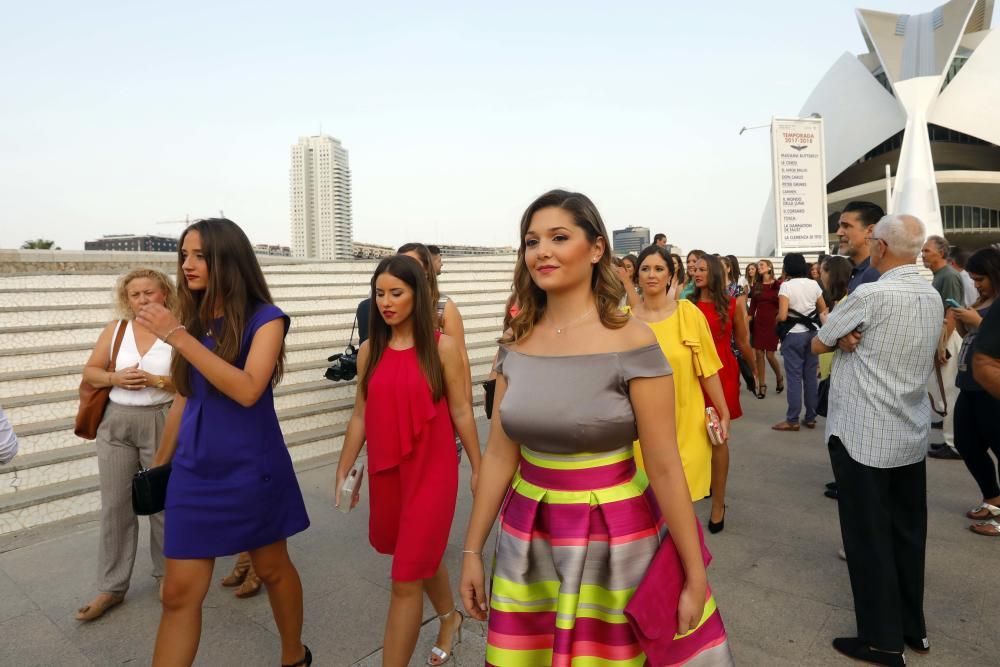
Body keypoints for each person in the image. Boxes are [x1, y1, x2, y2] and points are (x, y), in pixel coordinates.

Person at [458, 190, 733, 666]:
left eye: (559, 237)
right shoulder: (515, 344)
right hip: (528, 536)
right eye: (531, 241)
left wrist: (694, 574)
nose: (541, 251)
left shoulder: (632, 341)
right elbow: (501, 455)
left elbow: (665, 467)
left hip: (615, 537)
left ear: (597, 248)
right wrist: (470, 549)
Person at [138, 219, 311, 667]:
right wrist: (159, 468)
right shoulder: (193, 320)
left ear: (227, 260)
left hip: (251, 469)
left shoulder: (265, 318)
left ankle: (294, 655)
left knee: (272, 568)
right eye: (183, 255)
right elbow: (184, 396)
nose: (187, 265)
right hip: (195, 471)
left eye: (199, 255)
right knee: (177, 594)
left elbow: (249, 388)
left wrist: (175, 335)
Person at [334, 255, 482, 666]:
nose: (386, 302)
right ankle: (450, 618)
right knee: (418, 557)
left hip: (432, 474)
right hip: (387, 472)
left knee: (404, 580)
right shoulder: (369, 351)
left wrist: (479, 467)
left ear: (418, 295)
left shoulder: (442, 347)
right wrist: (344, 466)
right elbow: (360, 414)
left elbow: (463, 411)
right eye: (379, 293)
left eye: (396, 293)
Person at [812, 214, 941, 666]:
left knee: (869, 538)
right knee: (907, 533)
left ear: (880, 247)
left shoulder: (871, 292)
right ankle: (912, 628)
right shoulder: (930, 295)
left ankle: (883, 642)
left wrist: (841, 337)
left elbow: (818, 343)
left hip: (863, 433)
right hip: (908, 431)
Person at [75, 268, 177, 622]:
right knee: (116, 505)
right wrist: (115, 377)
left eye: (149, 292)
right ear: (127, 299)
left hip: (162, 419)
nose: (143, 299)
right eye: (135, 295)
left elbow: (191, 381)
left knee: (164, 504)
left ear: (164, 292)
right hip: (116, 421)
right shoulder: (116, 330)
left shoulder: (179, 329)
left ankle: (167, 576)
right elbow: (90, 372)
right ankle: (111, 587)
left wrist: (157, 379)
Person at [628, 244, 730, 501]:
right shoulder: (622, 321)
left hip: (686, 424)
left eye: (659, 269)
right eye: (645, 268)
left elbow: (707, 369)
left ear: (671, 276)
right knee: (645, 508)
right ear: (636, 276)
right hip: (638, 432)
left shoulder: (688, 314)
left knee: (681, 504)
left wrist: (723, 410)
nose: (652, 274)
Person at [693, 254, 754, 533]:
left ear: (715, 273)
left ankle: (719, 504)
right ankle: (699, 487)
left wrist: (755, 374)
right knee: (691, 435)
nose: (696, 272)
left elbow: (742, 341)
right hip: (691, 376)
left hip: (722, 373)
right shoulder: (684, 305)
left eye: (702, 269)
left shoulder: (731, 305)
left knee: (717, 439)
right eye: (694, 268)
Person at [949, 248, 1000, 535]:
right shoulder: (981, 301)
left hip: (992, 386)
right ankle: (993, 498)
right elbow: (970, 338)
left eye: (980, 278)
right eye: (973, 278)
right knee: (966, 443)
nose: (976, 284)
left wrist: (978, 321)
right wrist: (962, 322)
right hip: (969, 384)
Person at [922, 234, 966, 460]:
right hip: (943, 337)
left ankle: (954, 443)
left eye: (927, 250)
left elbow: (952, 312)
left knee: (948, 392)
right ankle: (950, 439)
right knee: (942, 391)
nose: (923, 254)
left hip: (947, 338)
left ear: (941, 252)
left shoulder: (948, 276)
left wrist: (941, 346)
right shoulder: (941, 275)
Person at [773, 253, 828, 431]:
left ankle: (792, 419)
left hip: (793, 335)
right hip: (813, 334)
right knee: (811, 377)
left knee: (795, 378)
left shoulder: (786, 286)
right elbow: (823, 309)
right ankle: (811, 417)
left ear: (787, 267)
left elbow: (782, 315)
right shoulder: (813, 284)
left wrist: (775, 321)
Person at [748, 259, 784, 398]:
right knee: (758, 354)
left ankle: (779, 376)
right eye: (758, 266)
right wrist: (746, 322)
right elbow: (752, 308)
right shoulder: (756, 285)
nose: (759, 267)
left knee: (770, 354)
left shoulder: (778, 285)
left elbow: (783, 304)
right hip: (759, 323)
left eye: (761, 265)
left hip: (773, 323)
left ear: (769, 268)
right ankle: (762, 385)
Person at [974, 301, 1000, 398]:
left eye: (981, 283)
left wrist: (976, 321)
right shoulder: (979, 303)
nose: (976, 285)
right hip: (968, 382)